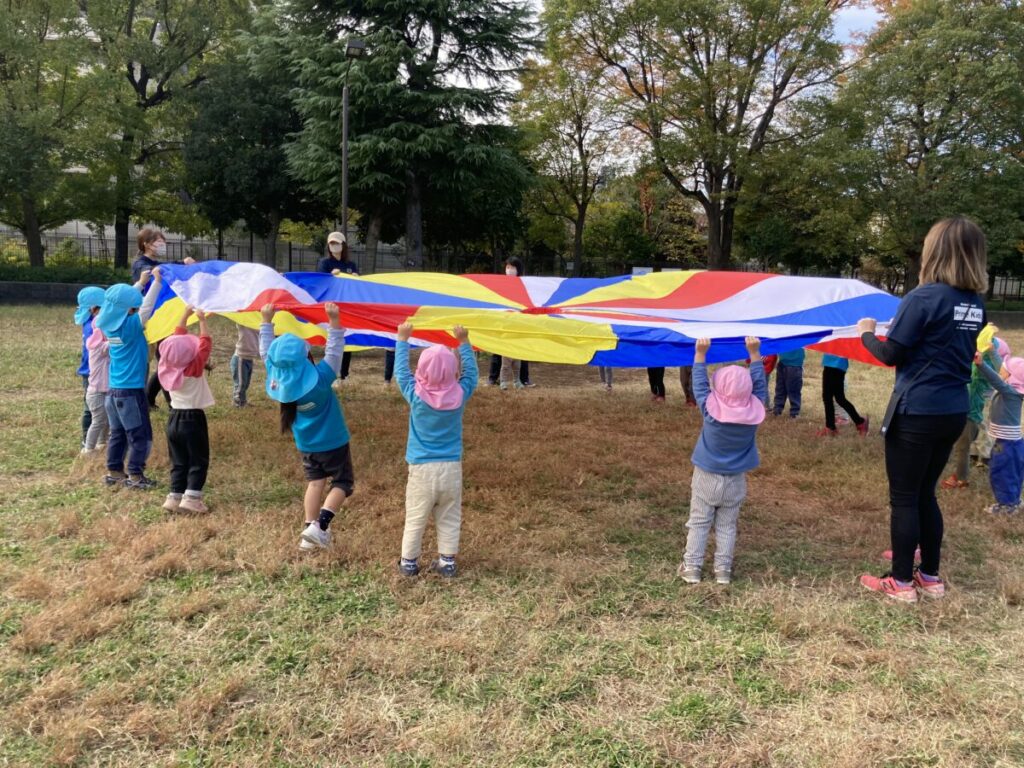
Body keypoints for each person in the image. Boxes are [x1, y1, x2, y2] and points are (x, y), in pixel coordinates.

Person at [857, 216, 987, 603]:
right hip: (953, 410)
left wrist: (866, 333)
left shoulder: (923, 297)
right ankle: (930, 577)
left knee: (904, 497)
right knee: (925, 494)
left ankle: (900, 583)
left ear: (935, 251)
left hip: (917, 410)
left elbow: (890, 354)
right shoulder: (974, 304)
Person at [260, 301, 353, 551]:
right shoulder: (320, 380)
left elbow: (266, 353)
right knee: (343, 483)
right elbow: (334, 352)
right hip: (333, 442)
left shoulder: (278, 381)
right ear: (306, 357)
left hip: (306, 445)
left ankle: (308, 534)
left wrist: (266, 321)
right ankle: (319, 526)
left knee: (315, 483)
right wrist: (334, 320)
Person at [678, 336, 767, 585]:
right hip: (736, 479)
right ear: (749, 392)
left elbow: (699, 385)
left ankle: (692, 568)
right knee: (727, 525)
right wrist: (755, 354)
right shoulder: (754, 413)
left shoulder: (710, 411)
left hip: (706, 476)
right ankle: (723, 571)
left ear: (716, 390)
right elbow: (760, 387)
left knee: (699, 522)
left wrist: (700, 354)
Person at [394, 322, 479, 577]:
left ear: (420, 370)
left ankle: (409, 563)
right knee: (449, 515)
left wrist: (402, 339)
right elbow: (472, 375)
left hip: (421, 469)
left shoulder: (415, 395)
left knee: (415, 517)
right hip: (451, 468)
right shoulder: (459, 394)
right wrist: (464, 342)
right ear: (454, 372)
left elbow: (401, 372)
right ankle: (447, 562)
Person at [96, 270, 162, 489]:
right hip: (131, 392)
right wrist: (157, 283)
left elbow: (120, 303)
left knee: (118, 433)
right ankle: (135, 476)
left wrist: (140, 283)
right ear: (130, 310)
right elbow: (146, 308)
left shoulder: (107, 324)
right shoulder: (131, 326)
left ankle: (115, 472)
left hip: (113, 392)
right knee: (140, 434)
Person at [131, 227, 196, 410]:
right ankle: (166, 403)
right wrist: (179, 265)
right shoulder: (140, 265)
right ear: (146, 244)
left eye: (163, 242)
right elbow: (157, 271)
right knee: (162, 359)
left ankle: (152, 399)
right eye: (159, 242)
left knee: (166, 357)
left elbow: (164, 267)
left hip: (162, 317)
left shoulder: (156, 263)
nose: (163, 245)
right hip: (148, 320)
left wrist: (183, 263)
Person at [157, 306, 215, 514]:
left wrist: (185, 315)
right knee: (198, 460)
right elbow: (205, 344)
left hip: (173, 418)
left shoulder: (166, 366)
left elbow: (176, 340)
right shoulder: (193, 368)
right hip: (193, 419)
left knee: (179, 461)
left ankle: (174, 497)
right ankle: (191, 499)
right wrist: (202, 320)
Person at [942, 337, 1007, 489]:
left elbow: (981, 374)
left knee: (962, 447)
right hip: (963, 411)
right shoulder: (976, 366)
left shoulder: (983, 372)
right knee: (961, 445)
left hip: (970, 415)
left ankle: (961, 479)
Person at [974, 352, 1024, 514]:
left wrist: (981, 364)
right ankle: (1014, 500)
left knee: (1001, 472)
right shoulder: (1013, 390)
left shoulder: (1009, 392)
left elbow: (995, 379)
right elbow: (1000, 372)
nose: (1000, 371)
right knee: (1014, 473)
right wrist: (992, 352)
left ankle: (1006, 505)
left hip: (1006, 444)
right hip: (1014, 443)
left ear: (1011, 377)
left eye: (1003, 370)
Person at [318, 231, 366, 383]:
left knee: (346, 339)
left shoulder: (350, 265)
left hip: (346, 307)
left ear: (343, 245)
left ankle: (344, 375)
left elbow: (357, 288)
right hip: (331, 307)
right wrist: (330, 276)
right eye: (331, 243)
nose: (334, 246)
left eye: (337, 243)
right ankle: (332, 374)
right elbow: (320, 282)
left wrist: (356, 279)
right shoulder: (325, 263)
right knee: (333, 339)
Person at [74, 287, 105, 448]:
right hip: (91, 372)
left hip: (93, 371)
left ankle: (99, 441)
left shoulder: (89, 321)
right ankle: (86, 442)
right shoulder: (93, 325)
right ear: (94, 308)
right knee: (90, 410)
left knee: (98, 409)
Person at [818, 354, 870, 437]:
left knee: (828, 397)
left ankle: (831, 427)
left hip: (835, 363)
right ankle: (859, 422)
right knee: (839, 398)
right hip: (834, 363)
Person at [83, 317, 111, 454]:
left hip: (102, 390)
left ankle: (101, 443)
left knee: (106, 420)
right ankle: (88, 449)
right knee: (98, 421)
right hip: (97, 392)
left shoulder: (97, 343)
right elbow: (118, 342)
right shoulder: (99, 347)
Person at [499, 257, 527, 391]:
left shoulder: (523, 285)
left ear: (518, 270)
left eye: (512, 268)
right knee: (505, 359)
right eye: (508, 267)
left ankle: (518, 380)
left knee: (517, 359)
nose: (509, 270)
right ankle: (502, 381)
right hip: (505, 325)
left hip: (518, 325)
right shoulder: (501, 284)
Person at [231, 325, 260, 407]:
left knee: (246, 383)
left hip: (250, 358)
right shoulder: (243, 324)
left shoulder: (257, 324)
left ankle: (242, 401)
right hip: (240, 358)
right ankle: (238, 402)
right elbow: (238, 318)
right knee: (240, 383)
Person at [772, 347, 804, 417]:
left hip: (794, 364)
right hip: (782, 363)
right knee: (780, 388)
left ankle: (794, 413)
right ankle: (777, 410)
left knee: (793, 390)